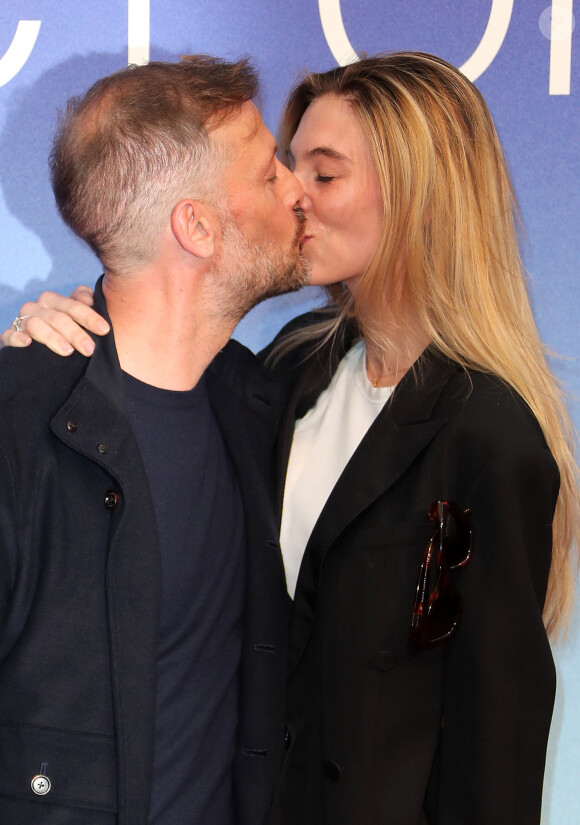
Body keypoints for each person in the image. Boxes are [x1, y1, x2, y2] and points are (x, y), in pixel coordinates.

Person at [4, 52, 579, 825]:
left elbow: (492, 748)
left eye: (323, 172)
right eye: (282, 166)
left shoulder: (486, 438)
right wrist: (56, 337)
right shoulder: (280, 376)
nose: (295, 196)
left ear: (416, 197)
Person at [0, 55, 310, 825]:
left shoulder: (258, 402)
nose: (298, 190)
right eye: (271, 171)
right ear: (196, 226)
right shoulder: (16, 427)